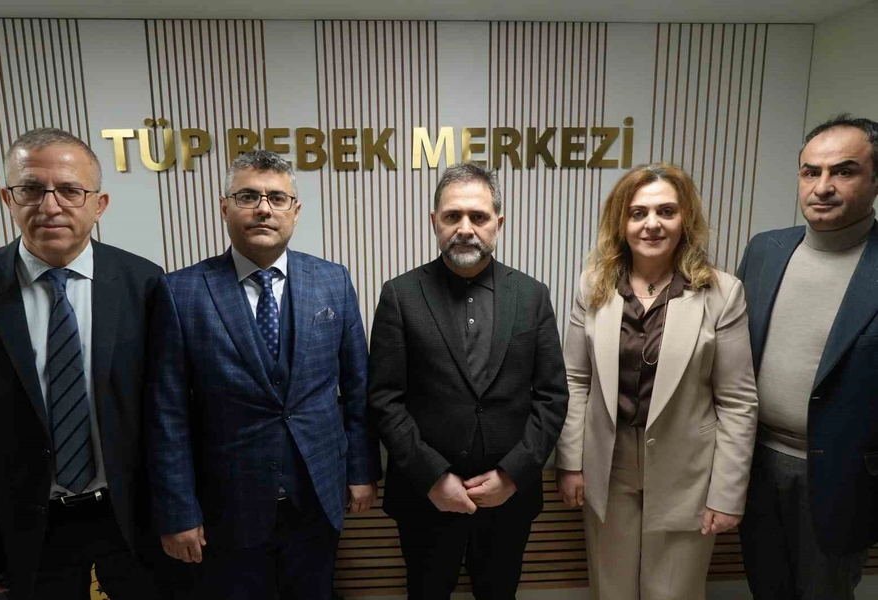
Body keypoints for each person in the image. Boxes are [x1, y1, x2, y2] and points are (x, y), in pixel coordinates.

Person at [147, 150, 381, 600]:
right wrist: (178, 510)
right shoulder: (181, 292)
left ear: (295, 210)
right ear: (224, 207)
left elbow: (358, 387)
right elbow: (167, 413)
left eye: (277, 197)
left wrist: (362, 470)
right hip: (227, 504)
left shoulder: (332, 280)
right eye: (248, 196)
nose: (263, 208)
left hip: (317, 495)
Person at [556, 163, 758, 599]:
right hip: (608, 465)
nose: (652, 224)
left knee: (673, 591)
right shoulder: (593, 287)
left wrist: (727, 493)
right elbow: (575, 380)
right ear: (621, 222)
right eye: (638, 213)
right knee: (611, 589)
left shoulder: (722, 293)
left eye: (666, 211)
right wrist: (570, 462)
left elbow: (738, 402)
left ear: (685, 219)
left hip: (688, 471)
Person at [0, 128, 165, 599]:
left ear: (99, 204)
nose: (50, 205)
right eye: (31, 189)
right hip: (26, 528)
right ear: (7, 198)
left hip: (130, 518)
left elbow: (169, 412)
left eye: (69, 190)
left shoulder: (145, 283)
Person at [368, 162, 569, 600]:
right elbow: (384, 399)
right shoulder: (400, 295)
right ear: (434, 221)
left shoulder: (532, 296)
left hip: (509, 500)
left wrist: (513, 475)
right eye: (452, 216)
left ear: (499, 222)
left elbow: (552, 397)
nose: (465, 228)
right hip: (425, 497)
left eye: (478, 216)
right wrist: (432, 477)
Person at [737, 114, 878, 599]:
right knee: (766, 587)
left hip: (843, 478)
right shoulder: (765, 250)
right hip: (754, 463)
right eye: (810, 171)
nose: (822, 187)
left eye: (844, 171)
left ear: (875, 179)